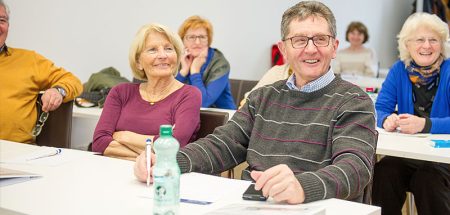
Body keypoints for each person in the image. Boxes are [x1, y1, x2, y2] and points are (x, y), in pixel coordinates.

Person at [135, 1, 377, 204]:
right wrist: (169, 161)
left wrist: (302, 187)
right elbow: (223, 144)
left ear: (334, 47)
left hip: (316, 207)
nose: (311, 49)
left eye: (321, 40)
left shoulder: (354, 101)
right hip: (254, 204)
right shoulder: (263, 97)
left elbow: (355, 167)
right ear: (284, 49)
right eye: (300, 40)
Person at [372, 12, 450, 215]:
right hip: (411, 153)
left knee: (427, 179)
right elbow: (380, 108)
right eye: (419, 40)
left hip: (444, 158)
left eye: (433, 40)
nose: (426, 46)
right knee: (383, 172)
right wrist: (386, 119)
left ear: (442, 45)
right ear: (407, 45)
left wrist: (426, 125)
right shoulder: (399, 70)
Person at [92, 23, 201, 161]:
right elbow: (99, 143)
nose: (162, 55)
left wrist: (124, 136)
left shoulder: (189, 95)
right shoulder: (120, 92)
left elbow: (173, 146)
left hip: (161, 176)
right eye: (152, 50)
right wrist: (152, 155)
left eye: (168, 48)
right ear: (138, 62)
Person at [0, 0, 83, 144]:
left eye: (2, 20)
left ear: (8, 26)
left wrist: (59, 91)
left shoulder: (29, 60)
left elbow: (73, 81)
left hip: (18, 153)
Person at [176, 15, 236, 110]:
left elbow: (203, 103)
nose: (197, 42)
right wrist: (183, 72)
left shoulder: (220, 63)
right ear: (182, 40)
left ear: (208, 40)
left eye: (202, 37)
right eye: (191, 37)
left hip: (221, 119)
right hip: (187, 115)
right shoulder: (180, 59)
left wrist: (195, 71)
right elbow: (168, 99)